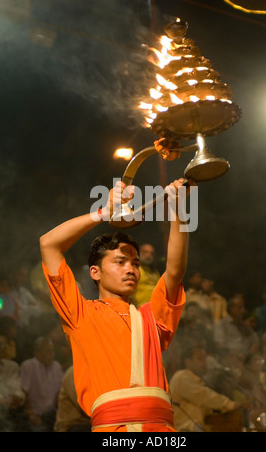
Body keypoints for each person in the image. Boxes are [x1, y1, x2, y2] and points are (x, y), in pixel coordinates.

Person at [39, 178, 193, 433]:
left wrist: (178, 208)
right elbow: (48, 244)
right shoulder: (81, 315)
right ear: (95, 272)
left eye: (135, 264)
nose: (130, 269)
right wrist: (103, 213)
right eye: (120, 262)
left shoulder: (150, 318)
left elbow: (175, 271)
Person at [169, 343, 243, 432]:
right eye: (200, 359)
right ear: (188, 361)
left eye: (205, 359)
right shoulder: (181, 377)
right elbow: (205, 396)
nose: (205, 362)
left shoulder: (197, 380)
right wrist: (230, 405)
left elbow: (206, 405)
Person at [20, 337, 63, 431]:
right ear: (37, 352)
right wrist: (30, 413)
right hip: (35, 414)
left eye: (52, 351)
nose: (52, 354)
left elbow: (60, 392)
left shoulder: (56, 366)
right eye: (48, 351)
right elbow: (24, 392)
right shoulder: (28, 366)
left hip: (53, 414)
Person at [54, 365, 91, 432]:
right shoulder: (75, 371)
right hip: (73, 425)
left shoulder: (93, 370)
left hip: (86, 424)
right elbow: (83, 404)